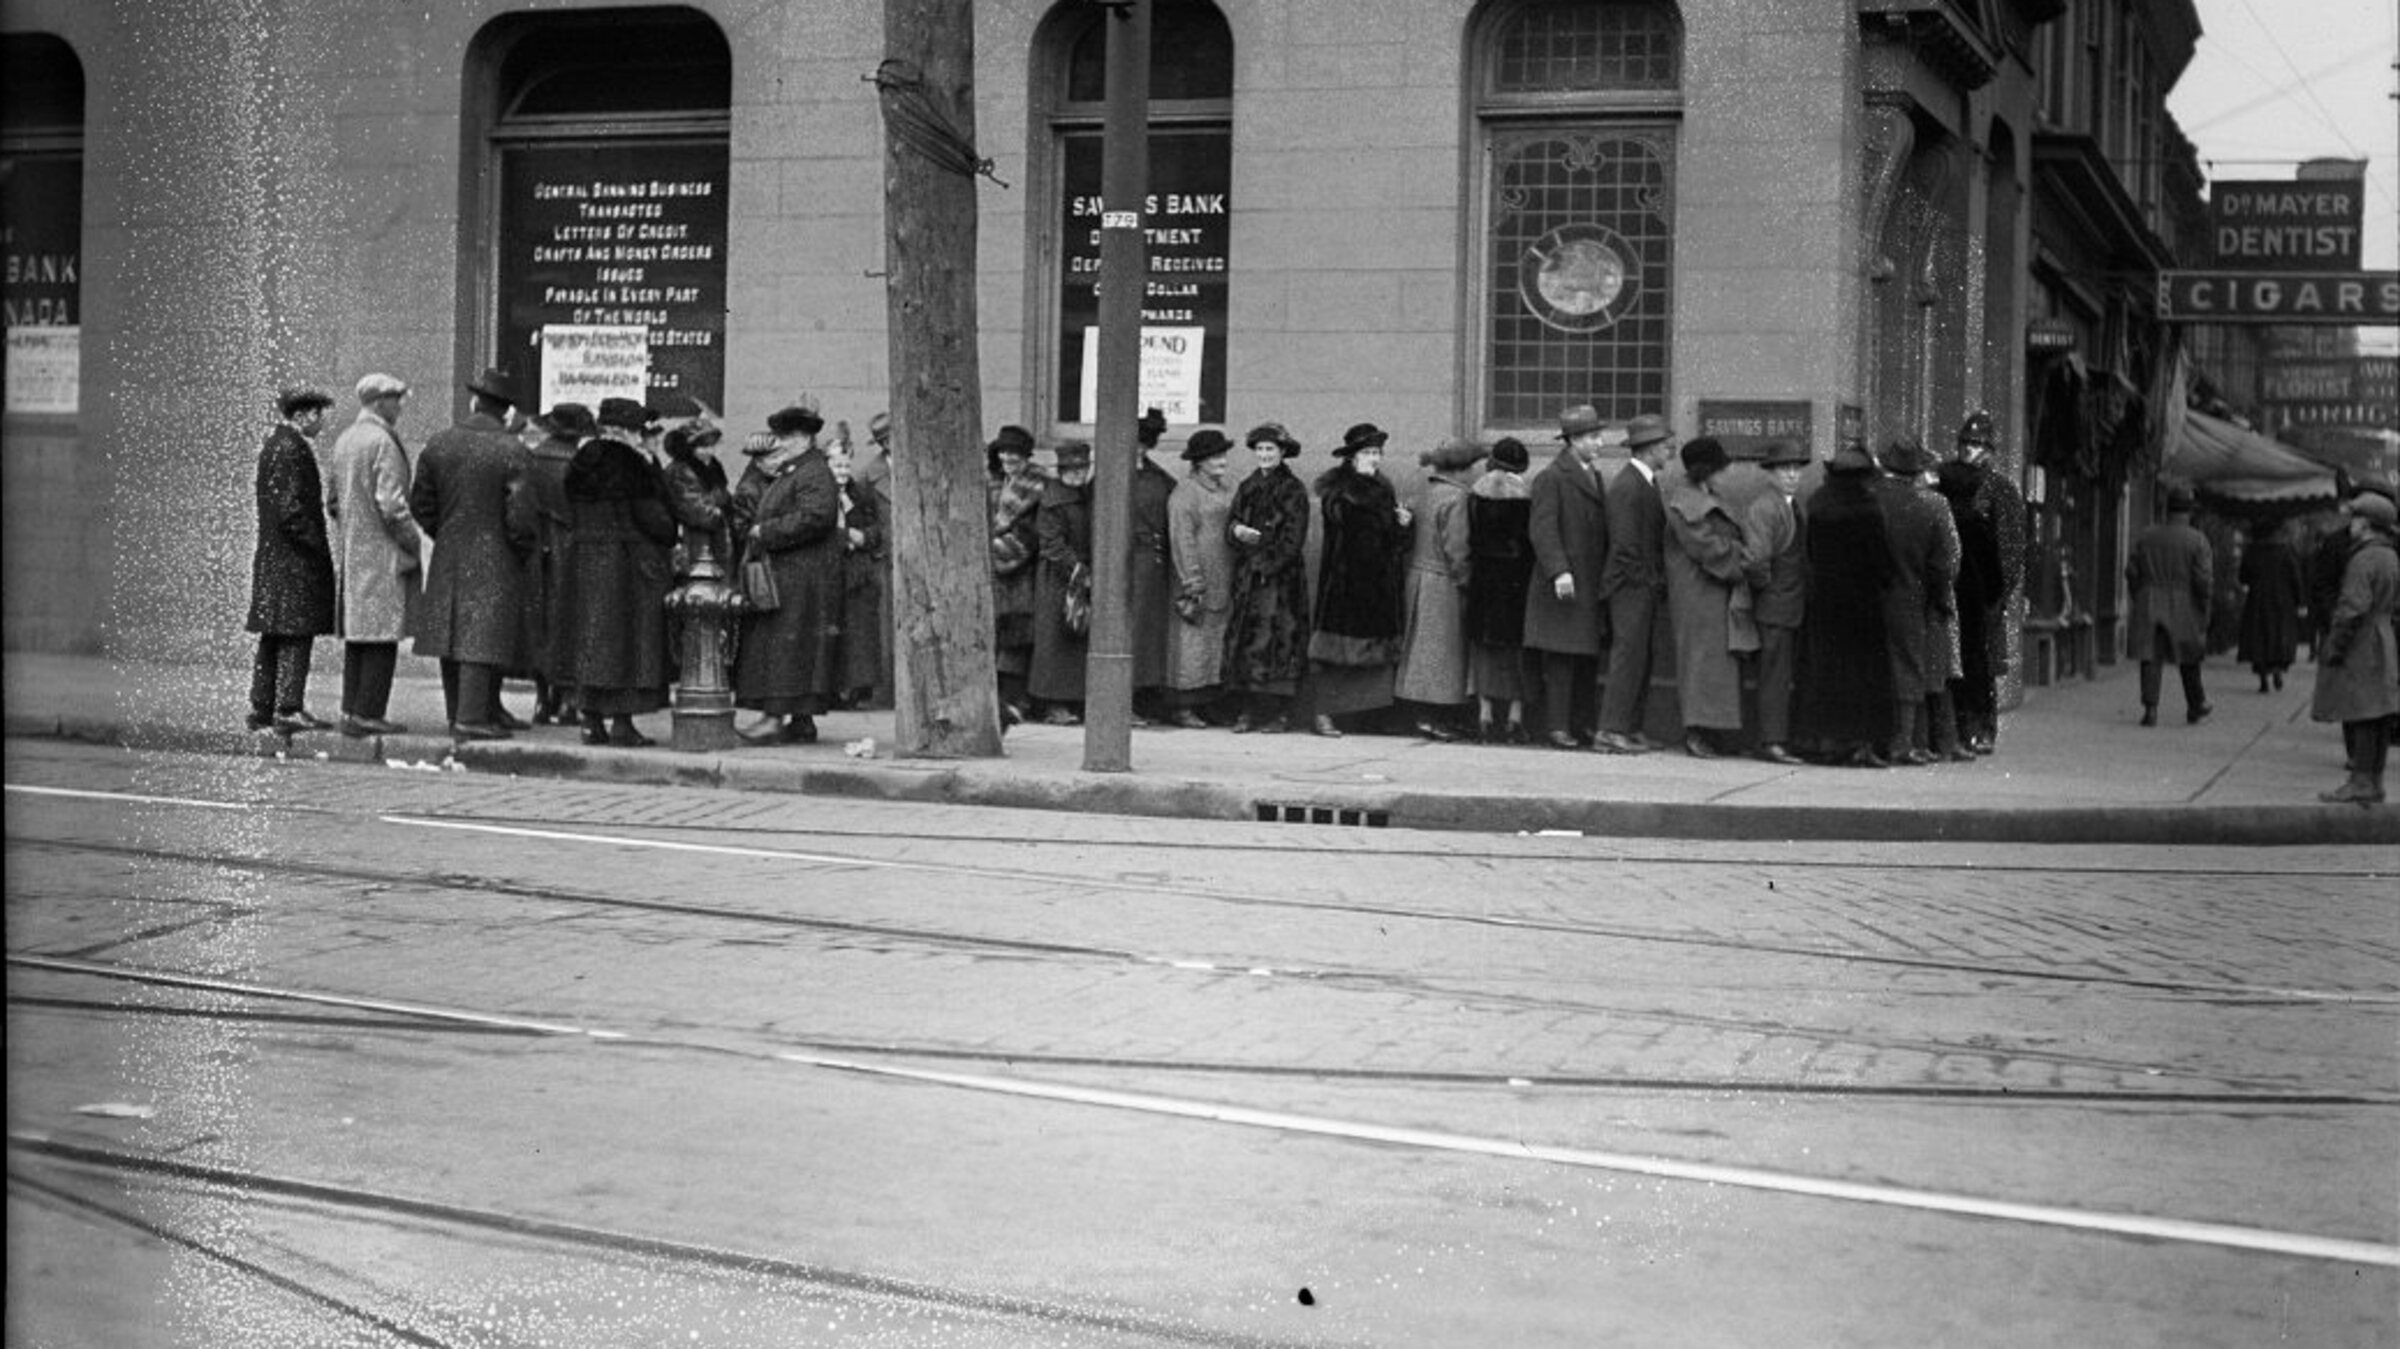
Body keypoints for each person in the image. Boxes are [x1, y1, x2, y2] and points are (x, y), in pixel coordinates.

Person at [408, 366, 531, 740]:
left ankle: (461, 712)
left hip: (449, 549)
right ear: (506, 410)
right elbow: (521, 515)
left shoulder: (440, 443)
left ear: (476, 401)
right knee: (484, 635)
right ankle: (473, 718)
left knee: (452, 633)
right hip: (497, 553)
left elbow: (421, 504)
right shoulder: (512, 449)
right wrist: (521, 547)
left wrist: (443, 531)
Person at [562, 397, 678, 746]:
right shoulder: (633, 465)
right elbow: (655, 519)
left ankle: (590, 719)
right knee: (628, 645)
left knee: (590, 640)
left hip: (585, 560)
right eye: (638, 431)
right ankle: (623, 724)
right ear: (626, 432)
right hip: (628, 564)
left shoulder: (579, 462)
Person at [732, 404, 845, 743]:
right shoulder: (800, 470)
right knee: (796, 647)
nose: (779, 444)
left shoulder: (810, 472)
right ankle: (800, 719)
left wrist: (765, 531)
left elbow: (816, 516)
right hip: (796, 575)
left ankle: (774, 717)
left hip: (799, 576)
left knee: (785, 648)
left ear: (804, 438)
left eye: (786, 437)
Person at [325, 372, 419, 737]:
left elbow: (333, 501)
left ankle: (351, 710)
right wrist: (414, 543)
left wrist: (353, 527)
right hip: (383, 554)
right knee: (381, 635)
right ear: (380, 402)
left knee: (358, 636)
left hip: (354, 551)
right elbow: (392, 506)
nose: (400, 407)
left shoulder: (346, 439)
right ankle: (369, 712)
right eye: (396, 399)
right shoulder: (382, 441)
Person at [1306, 422, 1410, 738]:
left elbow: (1392, 540)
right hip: (1346, 583)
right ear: (1352, 457)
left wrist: (1403, 524)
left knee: (1374, 655)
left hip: (1378, 583)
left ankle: (1368, 716)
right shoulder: (1340, 491)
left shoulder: (1383, 488)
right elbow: (1342, 526)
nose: (1374, 459)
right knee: (1336, 654)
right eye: (1367, 453)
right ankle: (1323, 714)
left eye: (1377, 452)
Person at [244, 386, 338, 734]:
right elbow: (291, 511)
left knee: (274, 635)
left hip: (277, 559)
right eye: (317, 415)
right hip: (293, 562)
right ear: (301, 416)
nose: (320, 423)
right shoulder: (291, 448)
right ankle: (288, 707)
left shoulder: (277, 445)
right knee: (296, 635)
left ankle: (261, 706)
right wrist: (317, 546)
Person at [1797, 440, 1894, 767]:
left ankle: (1831, 741)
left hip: (1826, 603)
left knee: (1829, 674)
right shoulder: (1869, 509)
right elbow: (1882, 563)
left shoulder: (1818, 504)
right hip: (1864, 606)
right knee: (1865, 676)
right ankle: (1862, 743)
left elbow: (1811, 553)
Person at [1661, 436, 1750, 759]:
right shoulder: (1686, 502)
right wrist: (1743, 559)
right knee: (1700, 662)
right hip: (1698, 591)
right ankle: (1697, 731)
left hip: (1710, 589)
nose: (1724, 474)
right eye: (1718, 469)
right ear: (1705, 471)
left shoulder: (1702, 495)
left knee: (1713, 663)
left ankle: (1711, 729)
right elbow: (1705, 547)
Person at [1871, 439, 1957, 765]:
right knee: (1908, 669)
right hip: (1911, 599)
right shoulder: (1927, 509)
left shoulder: (1871, 501)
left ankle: (1875, 740)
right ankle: (1902, 742)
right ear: (1915, 473)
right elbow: (1942, 566)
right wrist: (1938, 600)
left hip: (1873, 598)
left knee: (1876, 667)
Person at [1222, 422, 1312, 733]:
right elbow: (1231, 522)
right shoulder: (1247, 486)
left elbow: (1293, 538)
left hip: (1281, 582)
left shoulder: (1293, 489)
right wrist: (1237, 531)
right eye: (1260, 449)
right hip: (1250, 579)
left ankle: (1279, 713)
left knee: (1280, 642)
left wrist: (1267, 564)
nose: (1264, 455)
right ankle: (1249, 710)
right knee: (1249, 642)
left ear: (1282, 452)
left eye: (1270, 449)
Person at [2311, 491, 2399, 804]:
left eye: (2357, 518)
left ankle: (2360, 781)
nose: (2352, 524)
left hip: (2363, 639)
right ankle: (2374, 780)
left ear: (2369, 523)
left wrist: (2335, 645)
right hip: (2384, 635)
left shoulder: (2363, 559)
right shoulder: (2390, 556)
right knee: (2379, 712)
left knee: (2361, 710)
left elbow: (2352, 607)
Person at [1393, 435, 1483, 740]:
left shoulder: (1425, 491)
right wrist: (1467, 581)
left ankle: (1424, 715)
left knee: (1421, 651)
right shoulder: (1458, 498)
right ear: (1461, 469)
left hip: (1419, 575)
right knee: (1442, 652)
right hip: (1443, 582)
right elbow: (1457, 547)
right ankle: (1434, 717)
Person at [1596, 412, 1674, 754]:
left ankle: (1628, 727)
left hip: (1639, 585)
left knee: (1639, 658)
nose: (1669, 450)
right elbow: (1625, 545)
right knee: (1628, 657)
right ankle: (1611, 730)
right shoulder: (1629, 486)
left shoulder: (1643, 482)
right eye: (1665, 445)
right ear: (1648, 448)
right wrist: (1648, 581)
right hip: (1631, 587)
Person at [1950, 410, 2026, 754]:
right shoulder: (1950, 484)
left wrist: (1997, 593)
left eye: (1978, 445)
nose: (1970, 451)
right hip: (1956, 587)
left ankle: (1984, 727)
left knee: (1982, 665)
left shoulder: (2001, 490)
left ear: (1991, 451)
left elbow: (2011, 549)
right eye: (1966, 444)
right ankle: (1961, 727)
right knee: (1958, 664)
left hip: (1984, 590)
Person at [513, 403, 589, 726]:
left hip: (536, 549)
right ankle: (569, 698)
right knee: (570, 622)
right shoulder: (579, 464)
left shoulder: (531, 459)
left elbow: (519, 507)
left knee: (539, 623)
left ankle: (543, 699)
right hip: (571, 549)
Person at [1740, 440, 1810, 764]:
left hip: (1789, 604)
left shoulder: (1792, 505)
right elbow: (1756, 560)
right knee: (1774, 677)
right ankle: (1771, 741)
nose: (1792, 475)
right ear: (1771, 472)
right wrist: (1769, 590)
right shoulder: (1765, 507)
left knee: (1780, 676)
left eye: (1797, 469)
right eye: (1785, 469)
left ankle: (1777, 738)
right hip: (1775, 606)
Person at [1165, 426, 1237, 726]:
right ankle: (1184, 704)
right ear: (1199, 462)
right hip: (1197, 578)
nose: (1222, 461)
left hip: (1222, 574)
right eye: (1215, 457)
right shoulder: (1185, 494)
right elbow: (1182, 539)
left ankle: (1208, 701)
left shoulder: (1224, 489)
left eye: (1223, 455)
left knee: (1214, 641)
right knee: (1191, 642)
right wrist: (1192, 580)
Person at [2126, 485, 2215, 728]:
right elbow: (2203, 580)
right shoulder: (2197, 540)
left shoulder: (2147, 536)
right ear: (2189, 511)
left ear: (2167, 509)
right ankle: (2196, 704)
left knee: (2150, 655)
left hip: (2149, 598)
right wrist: (2204, 606)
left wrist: (2139, 594)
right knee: (2189, 655)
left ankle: (2150, 709)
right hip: (2184, 601)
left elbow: (2131, 571)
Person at [1466, 436, 1535, 744]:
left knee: (1484, 648)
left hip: (1483, 581)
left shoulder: (1476, 494)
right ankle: (1514, 718)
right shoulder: (1526, 496)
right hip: (1517, 582)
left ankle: (1484, 714)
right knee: (1516, 651)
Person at [1935, 458, 2005, 763]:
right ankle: (1976, 728)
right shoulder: (1976, 523)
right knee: (1974, 662)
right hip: (1972, 602)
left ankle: (1950, 728)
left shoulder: (1939, 516)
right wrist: (1992, 598)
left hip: (1943, 599)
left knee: (1946, 664)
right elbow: (1994, 573)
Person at [1028, 439, 1096, 724]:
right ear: (1062, 471)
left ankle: (1072, 701)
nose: (1078, 474)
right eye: (1072, 469)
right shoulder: (1053, 501)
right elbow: (1052, 544)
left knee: (1076, 640)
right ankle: (1052, 703)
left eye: (1082, 468)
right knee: (1055, 642)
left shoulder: (1085, 496)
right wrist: (1078, 571)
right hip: (1058, 578)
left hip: (1080, 573)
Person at [986, 425, 1045, 723]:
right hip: (992, 578)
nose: (1008, 458)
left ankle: (1012, 702)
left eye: (1015, 454)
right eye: (1004, 452)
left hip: (1018, 575)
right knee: (996, 639)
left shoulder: (1036, 487)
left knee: (1016, 641)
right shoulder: (993, 483)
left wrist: (988, 552)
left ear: (1026, 457)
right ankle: (998, 703)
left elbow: (1029, 535)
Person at [1130, 407, 1180, 725]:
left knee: (1148, 634)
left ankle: (1144, 696)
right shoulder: (1110, 477)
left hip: (1151, 564)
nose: (1137, 450)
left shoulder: (1159, 479)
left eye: (1142, 444)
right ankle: (1125, 698)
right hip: (1124, 563)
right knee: (1130, 632)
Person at [827, 439, 885, 708]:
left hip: (858, 573)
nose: (842, 471)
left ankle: (858, 689)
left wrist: (863, 537)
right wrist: (845, 538)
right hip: (831, 573)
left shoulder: (858, 493)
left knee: (860, 634)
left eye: (846, 466)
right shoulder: (820, 494)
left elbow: (875, 527)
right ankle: (834, 690)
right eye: (837, 465)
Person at [2236, 517, 2305, 693]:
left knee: (2259, 638)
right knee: (2279, 636)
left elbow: (2243, 577)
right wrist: (2300, 601)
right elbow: (2295, 578)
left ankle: (2262, 679)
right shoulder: (2286, 551)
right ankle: (2277, 669)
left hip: (2258, 600)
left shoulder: (2252, 551)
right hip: (2282, 601)